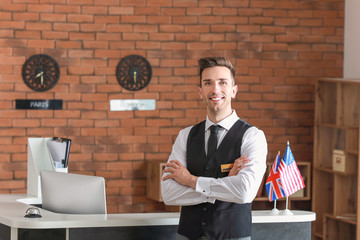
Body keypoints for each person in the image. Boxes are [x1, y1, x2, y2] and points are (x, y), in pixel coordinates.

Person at [161, 57, 268, 240]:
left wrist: (190, 180)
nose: (215, 89)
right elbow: (169, 194)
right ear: (200, 91)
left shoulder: (252, 136)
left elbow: (244, 192)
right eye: (208, 83)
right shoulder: (185, 136)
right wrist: (225, 184)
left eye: (222, 82)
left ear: (234, 91)